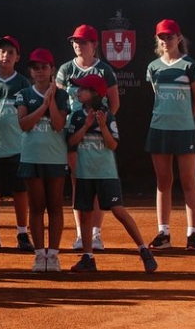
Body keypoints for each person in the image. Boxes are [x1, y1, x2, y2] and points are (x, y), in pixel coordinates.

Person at [67, 74, 158, 274]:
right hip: (84, 173)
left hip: (106, 173)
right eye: (78, 88)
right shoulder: (76, 115)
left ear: (94, 94)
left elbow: (113, 145)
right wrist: (86, 125)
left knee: (118, 211)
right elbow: (72, 142)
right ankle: (88, 258)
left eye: (82, 89)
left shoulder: (107, 115)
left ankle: (144, 250)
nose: (78, 92)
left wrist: (100, 126)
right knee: (85, 215)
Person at [56, 24, 119, 251]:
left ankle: (95, 234)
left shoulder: (104, 70)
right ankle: (81, 234)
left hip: (96, 136)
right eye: (75, 42)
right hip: (73, 134)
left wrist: (102, 127)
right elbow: (59, 101)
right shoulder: (65, 69)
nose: (78, 45)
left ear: (94, 45)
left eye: (83, 42)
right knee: (77, 181)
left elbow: (114, 104)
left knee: (95, 181)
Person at [145, 19, 195, 251]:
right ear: (158, 40)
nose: (166, 41)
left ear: (179, 38)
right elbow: (157, 97)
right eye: (162, 37)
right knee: (163, 181)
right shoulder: (153, 67)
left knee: (188, 180)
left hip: (185, 131)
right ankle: (164, 233)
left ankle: (193, 234)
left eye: (170, 36)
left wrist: (186, 120)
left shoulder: (189, 65)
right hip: (159, 129)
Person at [16, 48, 70, 273]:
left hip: (55, 158)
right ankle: (39, 255)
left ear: (52, 70)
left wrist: (52, 101)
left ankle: (54, 255)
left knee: (55, 206)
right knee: (36, 207)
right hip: (31, 158)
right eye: (35, 68)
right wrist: (43, 106)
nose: (39, 72)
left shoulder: (62, 95)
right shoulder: (23, 94)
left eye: (44, 67)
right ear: (30, 71)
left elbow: (58, 125)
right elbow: (24, 124)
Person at [0, 36, 33, 252]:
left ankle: (22, 233)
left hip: (18, 148)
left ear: (17, 57)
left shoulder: (23, 83)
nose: (5, 56)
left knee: (20, 192)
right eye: (2, 51)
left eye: (11, 52)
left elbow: (28, 111)